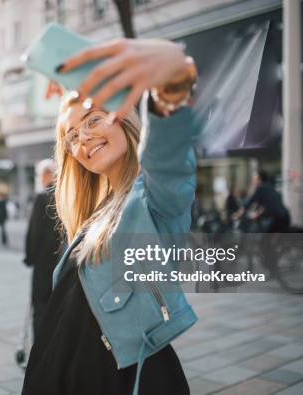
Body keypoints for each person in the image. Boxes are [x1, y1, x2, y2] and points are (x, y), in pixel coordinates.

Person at [22, 37, 198, 395]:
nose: (82, 138)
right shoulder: (96, 213)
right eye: (70, 135)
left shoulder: (152, 201)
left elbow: (169, 161)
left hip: (117, 377)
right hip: (60, 371)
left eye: (94, 119)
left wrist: (170, 89)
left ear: (124, 119)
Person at [23, 159, 62, 342]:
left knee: (40, 306)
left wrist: (29, 257)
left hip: (44, 262)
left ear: (47, 174)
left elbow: (34, 232)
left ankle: (40, 346)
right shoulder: (68, 194)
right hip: (64, 262)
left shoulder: (43, 197)